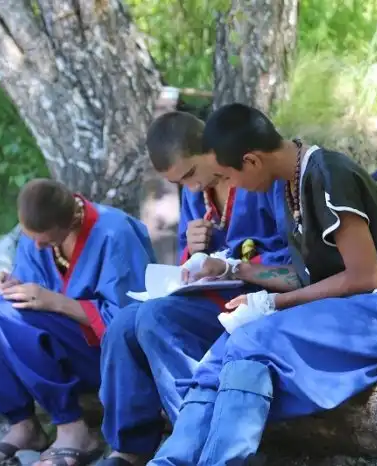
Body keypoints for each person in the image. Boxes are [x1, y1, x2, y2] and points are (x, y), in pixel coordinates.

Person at [146, 103, 377, 466]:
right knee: (219, 357)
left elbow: (365, 277)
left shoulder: (329, 173)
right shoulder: (288, 185)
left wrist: (274, 305)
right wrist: (235, 270)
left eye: (228, 176)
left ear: (251, 161)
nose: (230, 186)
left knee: (250, 341)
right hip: (350, 307)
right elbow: (306, 277)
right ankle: (170, 461)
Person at [97, 111, 291, 466]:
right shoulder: (197, 193)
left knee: (155, 317)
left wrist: (235, 261)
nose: (191, 187)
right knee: (123, 324)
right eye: (180, 183)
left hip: (253, 296)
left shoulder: (257, 177)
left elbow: (290, 255)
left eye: (190, 174)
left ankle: (202, 440)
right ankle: (130, 448)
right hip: (210, 292)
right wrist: (193, 248)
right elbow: (192, 264)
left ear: (210, 150)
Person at [0, 178, 156, 466]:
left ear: (73, 219)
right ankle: (23, 425)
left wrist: (55, 302)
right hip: (54, 344)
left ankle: (72, 427)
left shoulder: (115, 233)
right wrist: (13, 285)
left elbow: (128, 321)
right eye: (30, 237)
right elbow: (32, 284)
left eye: (46, 240)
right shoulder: (37, 236)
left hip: (106, 356)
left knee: (3, 314)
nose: (37, 246)